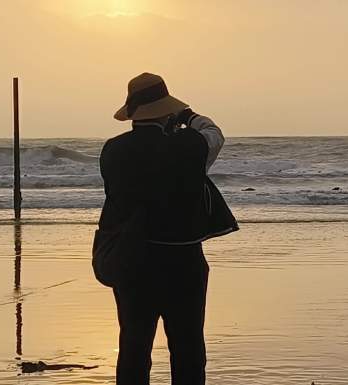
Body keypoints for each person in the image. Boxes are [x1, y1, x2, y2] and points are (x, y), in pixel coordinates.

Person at [98, 72, 237, 385]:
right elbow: (214, 134)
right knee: (187, 348)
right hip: (183, 261)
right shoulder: (187, 146)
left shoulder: (113, 150)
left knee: (133, 347)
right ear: (168, 111)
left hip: (132, 258)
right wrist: (190, 118)